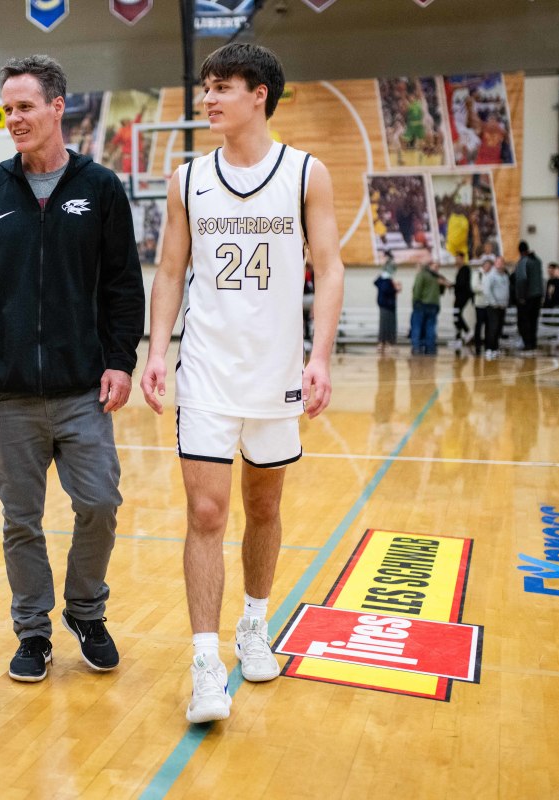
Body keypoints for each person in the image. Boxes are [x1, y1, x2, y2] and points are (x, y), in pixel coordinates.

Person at [139, 42, 344, 724]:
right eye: (205, 87)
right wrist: (157, 349)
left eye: (222, 86)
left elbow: (331, 266)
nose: (208, 98)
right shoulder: (186, 179)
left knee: (263, 506)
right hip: (206, 370)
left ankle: (254, 624)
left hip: (277, 373)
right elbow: (170, 270)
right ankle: (204, 663)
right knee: (205, 513)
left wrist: (320, 356)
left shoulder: (306, 174)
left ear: (260, 94)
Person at [0, 54, 144, 684]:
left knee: (100, 504)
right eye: (7, 108)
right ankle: (33, 632)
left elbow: (122, 284)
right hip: (7, 396)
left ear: (58, 107)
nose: (14, 119)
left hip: (83, 390)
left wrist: (121, 359)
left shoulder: (100, 188)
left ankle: (86, 612)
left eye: (25, 106)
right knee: (21, 521)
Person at [514, 241, 543, 354]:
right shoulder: (538, 261)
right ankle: (533, 344)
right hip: (538, 295)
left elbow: (522, 279)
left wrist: (521, 297)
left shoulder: (523, 262)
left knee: (524, 322)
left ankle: (528, 345)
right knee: (534, 321)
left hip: (527, 296)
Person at [411, 262, 442, 355]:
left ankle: (416, 347)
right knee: (430, 328)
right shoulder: (436, 277)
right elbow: (441, 291)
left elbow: (417, 290)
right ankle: (430, 348)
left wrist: (415, 302)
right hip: (434, 305)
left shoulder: (422, 275)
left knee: (417, 327)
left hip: (421, 304)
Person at [483, 255, 510, 360]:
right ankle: (489, 349)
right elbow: (487, 290)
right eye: (498, 262)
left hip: (502, 306)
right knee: (492, 328)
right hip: (493, 306)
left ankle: (495, 348)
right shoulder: (490, 276)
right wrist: (494, 302)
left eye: (502, 262)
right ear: (495, 263)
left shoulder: (505, 276)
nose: (500, 264)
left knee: (499, 328)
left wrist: (505, 302)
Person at [374, 258, 400, 352]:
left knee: (389, 324)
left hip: (388, 304)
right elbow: (386, 290)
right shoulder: (385, 279)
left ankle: (388, 343)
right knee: (385, 325)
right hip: (386, 304)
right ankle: (384, 343)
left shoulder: (385, 278)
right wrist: (395, 289)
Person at [471, 255, 492, 355]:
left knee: (489, 325)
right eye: (487, 265)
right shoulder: (478, 273)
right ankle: (477, 345)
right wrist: (486, 289)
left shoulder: (491, 275)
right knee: (479, 325)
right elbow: (475, 287)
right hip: (479, 304)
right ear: (483, 265)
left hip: (489, 304)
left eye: (490, 265)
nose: (488, 267)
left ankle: (488, 344)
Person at [452, 254, 472, 350]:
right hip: (459, 296)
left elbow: (461, 284)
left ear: (463, 259)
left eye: (458, 259)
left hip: (463, 296)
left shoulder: (465, 269)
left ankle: (467, 332)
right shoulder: (459, 269)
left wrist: (451, 285)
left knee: (457, 315)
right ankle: (458, 338)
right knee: (456, 316)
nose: (456, 260)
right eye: (456, 259)